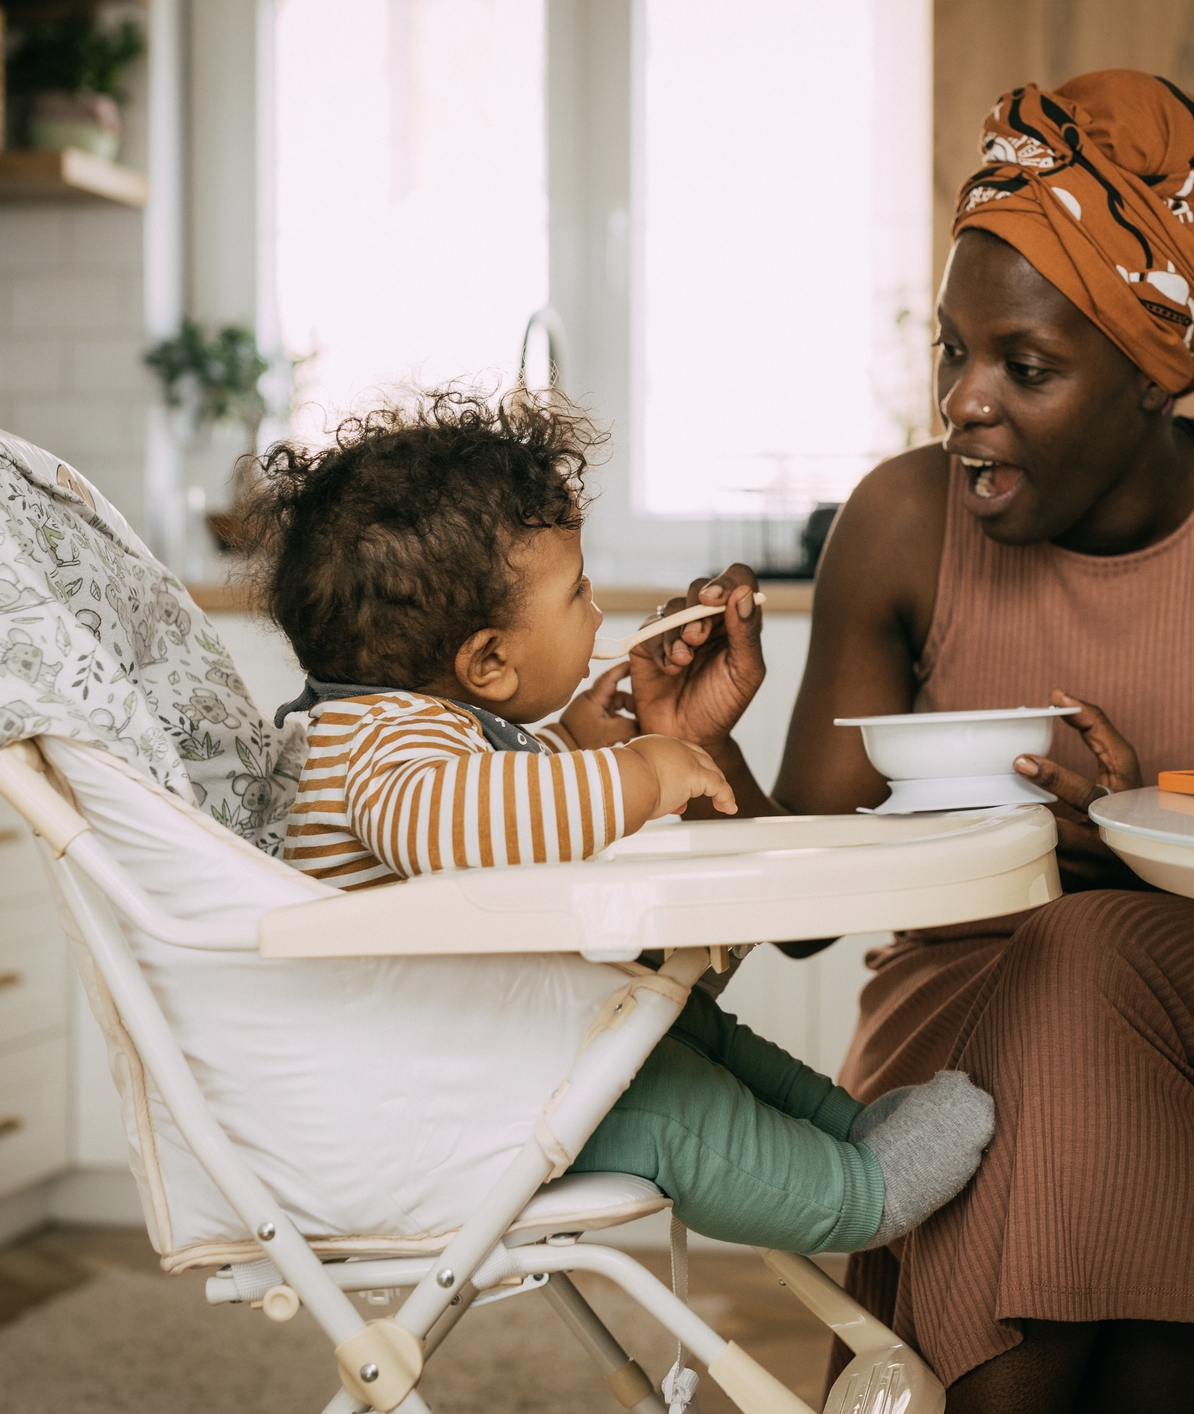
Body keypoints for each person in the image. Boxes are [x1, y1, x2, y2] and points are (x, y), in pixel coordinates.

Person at [623, 71, 1194, 1411]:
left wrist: (1138, 838)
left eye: (1027, 367)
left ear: (1152, 376)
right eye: (952, 350)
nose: (965, 401)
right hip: (953, 1034)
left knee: (1077, 949)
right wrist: (701, 748)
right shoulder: (897, 521)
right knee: (1066, 1041)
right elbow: (812, 911)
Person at [242, 386, 996, 1256]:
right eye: (578, 591)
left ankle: (849, 1130)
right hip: (434, 1110)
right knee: (662, 1099)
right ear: (486, 660)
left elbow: (476, 816)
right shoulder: (379, 743)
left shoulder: (401, 729)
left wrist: (569, 743)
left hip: (471, 1067)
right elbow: (435, 827)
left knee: (668, 1020)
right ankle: (860, 1197)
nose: (597, 610)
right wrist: (631, 774)